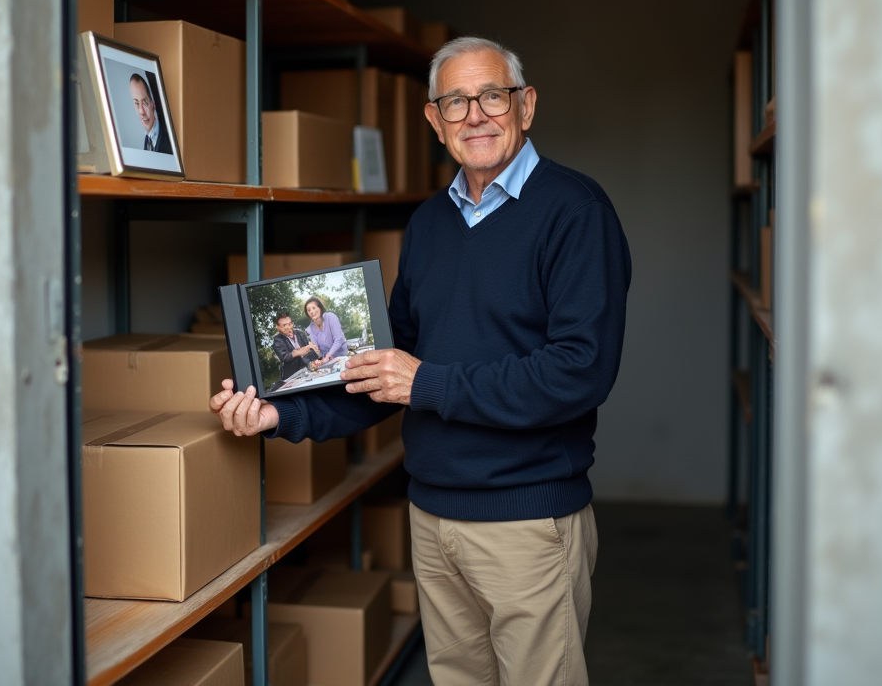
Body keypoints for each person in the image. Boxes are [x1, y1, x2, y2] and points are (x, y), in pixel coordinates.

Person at [212, 37, 631, 686]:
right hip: (433, 519)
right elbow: (381, 371)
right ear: (434, 122)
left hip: (526, 523)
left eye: (493, 95)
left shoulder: (576, 211)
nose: (476, 115)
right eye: (455, 102)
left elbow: (580, 370)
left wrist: (426, 381)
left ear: (526, 106)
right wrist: (278, 413)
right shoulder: (429, 224)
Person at [129, 73, 171, 154]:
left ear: (153, 104)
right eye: (137, 103)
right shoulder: (147, 141)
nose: (141, 111)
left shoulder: (168, 136)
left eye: (145, 102)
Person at [270, 312, 320, 381]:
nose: (288, 327)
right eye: (284, 325)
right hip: (291, 376)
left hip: (308, 370)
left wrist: (315, 355)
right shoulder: (277, 339)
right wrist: (299, 352)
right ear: (278, 327)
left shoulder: (300, 333)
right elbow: (285, 357)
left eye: (290, 324)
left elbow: (310, 351)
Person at [303, 297, 348, 363]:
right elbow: (319, 352)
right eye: (309, 310)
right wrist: (314, 349)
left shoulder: (330, 317)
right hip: (328, 361)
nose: (312, 312)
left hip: (342, 356)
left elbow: (339, 340)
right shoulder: (309, 329)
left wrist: (328, 355)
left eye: (314, 308)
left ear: (320, 308)